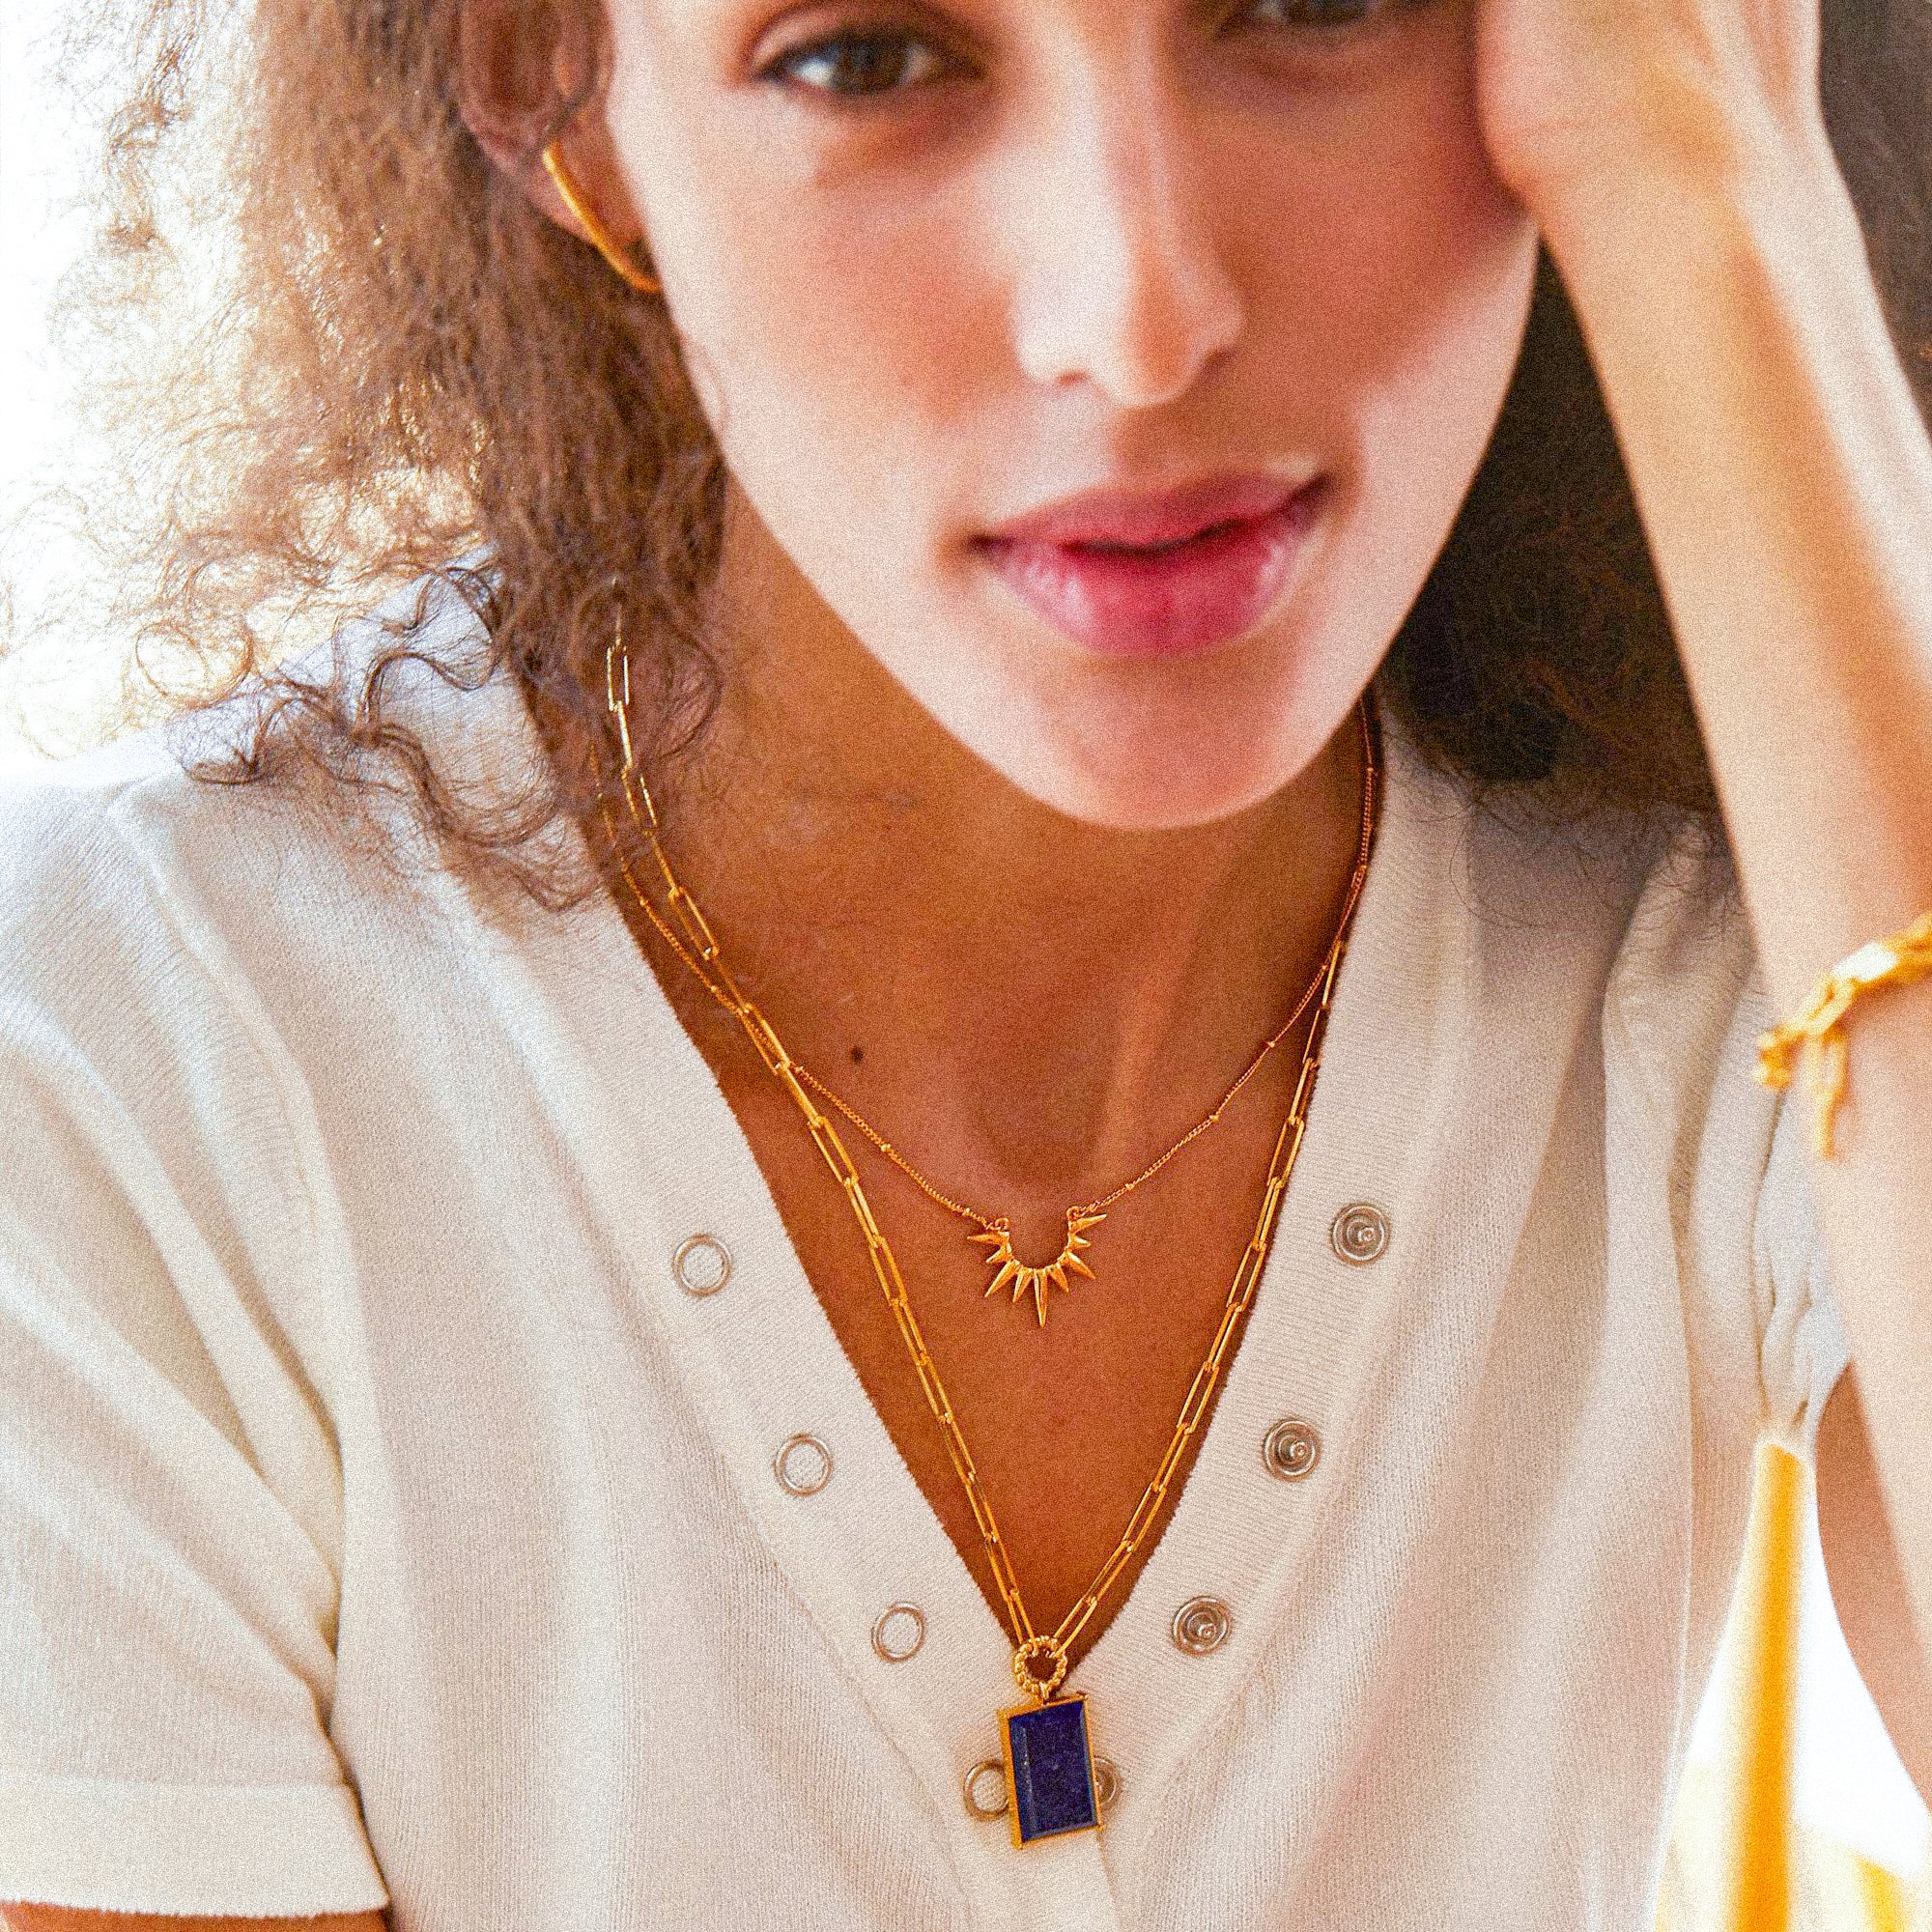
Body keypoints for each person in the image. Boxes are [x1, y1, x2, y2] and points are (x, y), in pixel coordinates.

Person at [3, 0, 1931, 1926]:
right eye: (868, 61)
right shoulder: (122, 1064)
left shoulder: (1745, 911)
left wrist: (1715, 191)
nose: (1141, 316)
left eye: (1309, 3)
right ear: (553, 89)